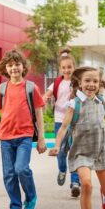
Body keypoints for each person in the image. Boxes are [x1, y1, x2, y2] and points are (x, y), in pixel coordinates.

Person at [0, 49, 47, 209]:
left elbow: (39, 114)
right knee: (9, 174)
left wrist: (42, 138)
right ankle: (15, 206)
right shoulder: (2, 89)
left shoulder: (31, 88)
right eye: (10, 65)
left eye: (17, 64)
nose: (14, 68)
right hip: (6, 137)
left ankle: (31, 196)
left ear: (23, 67)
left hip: (25, 135)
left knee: (21, 168)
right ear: (5, 69)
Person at [49, 66, 105, 209]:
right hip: (81, 151)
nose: (91, 84)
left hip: (101, 148)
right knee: (86, 184)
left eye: (95, 81)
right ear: (79, 83)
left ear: (99, 83)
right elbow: (64, 127)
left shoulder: (101, 100)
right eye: (87, 81)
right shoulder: (74, 103)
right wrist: (57, 146)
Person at [43, 47, 80, 197]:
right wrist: (44, 99)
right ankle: (62, 170)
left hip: (75, 120)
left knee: (75, 152)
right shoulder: (57, 83)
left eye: (69, 67)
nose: (67, 70)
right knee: (61, 152)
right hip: (60, 120)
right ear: (60, 69)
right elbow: (47, 94)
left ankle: (75, 182)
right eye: (64, 67)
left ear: (74, 67)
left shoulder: (78, 82)